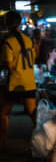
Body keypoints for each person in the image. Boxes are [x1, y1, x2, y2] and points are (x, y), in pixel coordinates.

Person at [0, 11, 37, 148]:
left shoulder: (7, 42)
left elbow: (8, 65)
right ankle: (40, 140)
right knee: (33, 114)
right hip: (29, 81)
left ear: (6, 23)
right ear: (20, 23)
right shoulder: (29, 40)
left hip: (14, 83)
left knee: (4, 113)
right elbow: (33, 60)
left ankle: (2, 142)